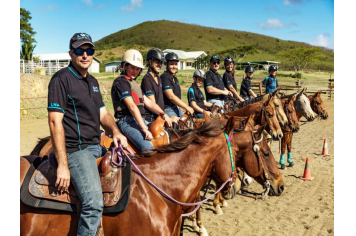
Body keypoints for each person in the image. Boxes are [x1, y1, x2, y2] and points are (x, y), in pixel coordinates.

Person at [47, 32, 128, 235]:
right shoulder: (61, 80)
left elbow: (103, 113)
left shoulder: (92, 82)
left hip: (96, 145)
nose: (85, 55)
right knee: (93, 204)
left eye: (89, 50)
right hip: (76, 150)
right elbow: (54, 122)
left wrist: (116, 132)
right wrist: (63, 165)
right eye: (79, 50)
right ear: (71, 54)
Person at [111, 49, 172, 153]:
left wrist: (163, 114)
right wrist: (144, 129)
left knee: (163, 140)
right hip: (127, 121)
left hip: (139, 120)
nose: (135, 71)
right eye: (132, 68)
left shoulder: (134, 84)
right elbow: (132, 106)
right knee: (148, 148)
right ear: (125, 66)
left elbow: (148, 102)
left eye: (138, 69)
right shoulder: (121, 82)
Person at [141, 48, 177, 124]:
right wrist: (165, 116)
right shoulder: (147, 79)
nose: (159, 65)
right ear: (150, 61)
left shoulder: (159, 78)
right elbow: (152, 103)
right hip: (151, 119)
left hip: (159, 116)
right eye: (157, 62)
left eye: (161, 63)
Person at [161, 52, 194, 117]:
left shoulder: (175, 79)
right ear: (166, 64)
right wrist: (186, 106)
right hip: (168, 109)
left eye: (175, 64)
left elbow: (177, 97)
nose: (174, 66)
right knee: (178, 125)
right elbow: (171, 96)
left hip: (176, 107)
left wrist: (183, 107)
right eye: (171, 64)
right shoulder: (164, 77)